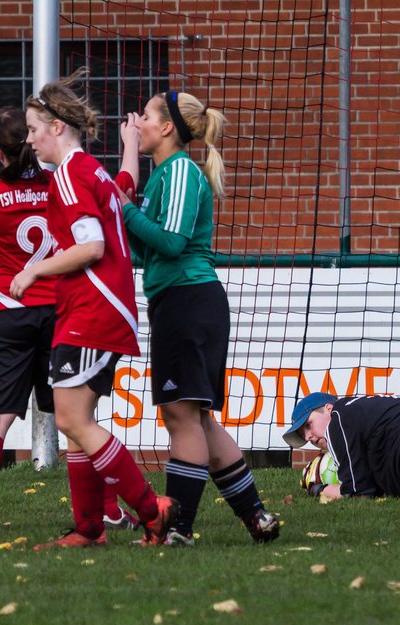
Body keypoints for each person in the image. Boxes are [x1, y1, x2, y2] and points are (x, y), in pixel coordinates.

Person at [0, 96, 136, 532]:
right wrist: (130, 146)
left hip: (9, 313)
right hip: (63, 313)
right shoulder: (58, 182)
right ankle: (111, 510)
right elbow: (120, 189)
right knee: (80, 422)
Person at [9, 69, 177, 549]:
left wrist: (33, 271)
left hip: (92, 309)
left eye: (34, 129)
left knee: (71, 421)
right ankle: (88, 529)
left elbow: (92, 246)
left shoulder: (68, 174)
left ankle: (151, 511)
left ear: (57, 128)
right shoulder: (90, 170)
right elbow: (123, 187)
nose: (30, 140)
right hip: (99, 308)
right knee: (77, 419)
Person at [113, 90, 279, 546]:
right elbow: (150, 249)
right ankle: (257, 519)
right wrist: (128, 211)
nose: (138, 122)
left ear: (168, 127)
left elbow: (169, 242)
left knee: (181, 416)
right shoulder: (164, 176)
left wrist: (123, 208)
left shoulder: (182, 170)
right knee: (197, 418)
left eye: (145, 115)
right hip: (179, 302)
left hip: (190, 301)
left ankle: (178, 529)